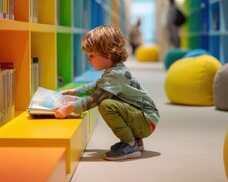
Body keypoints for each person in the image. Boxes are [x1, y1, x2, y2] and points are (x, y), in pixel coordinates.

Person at [54, 25, 160, 161]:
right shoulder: (114, 70)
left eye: (91, 55)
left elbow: (96, 99)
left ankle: (130, 144)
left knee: (106, 105)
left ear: (108, 55)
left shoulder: (115, 75)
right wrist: (75, 92)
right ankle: (136, 141)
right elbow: (97, 84)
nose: (88, 59)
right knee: (109, 100)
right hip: (145, 117)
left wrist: (69, 108)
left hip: (146, 122)